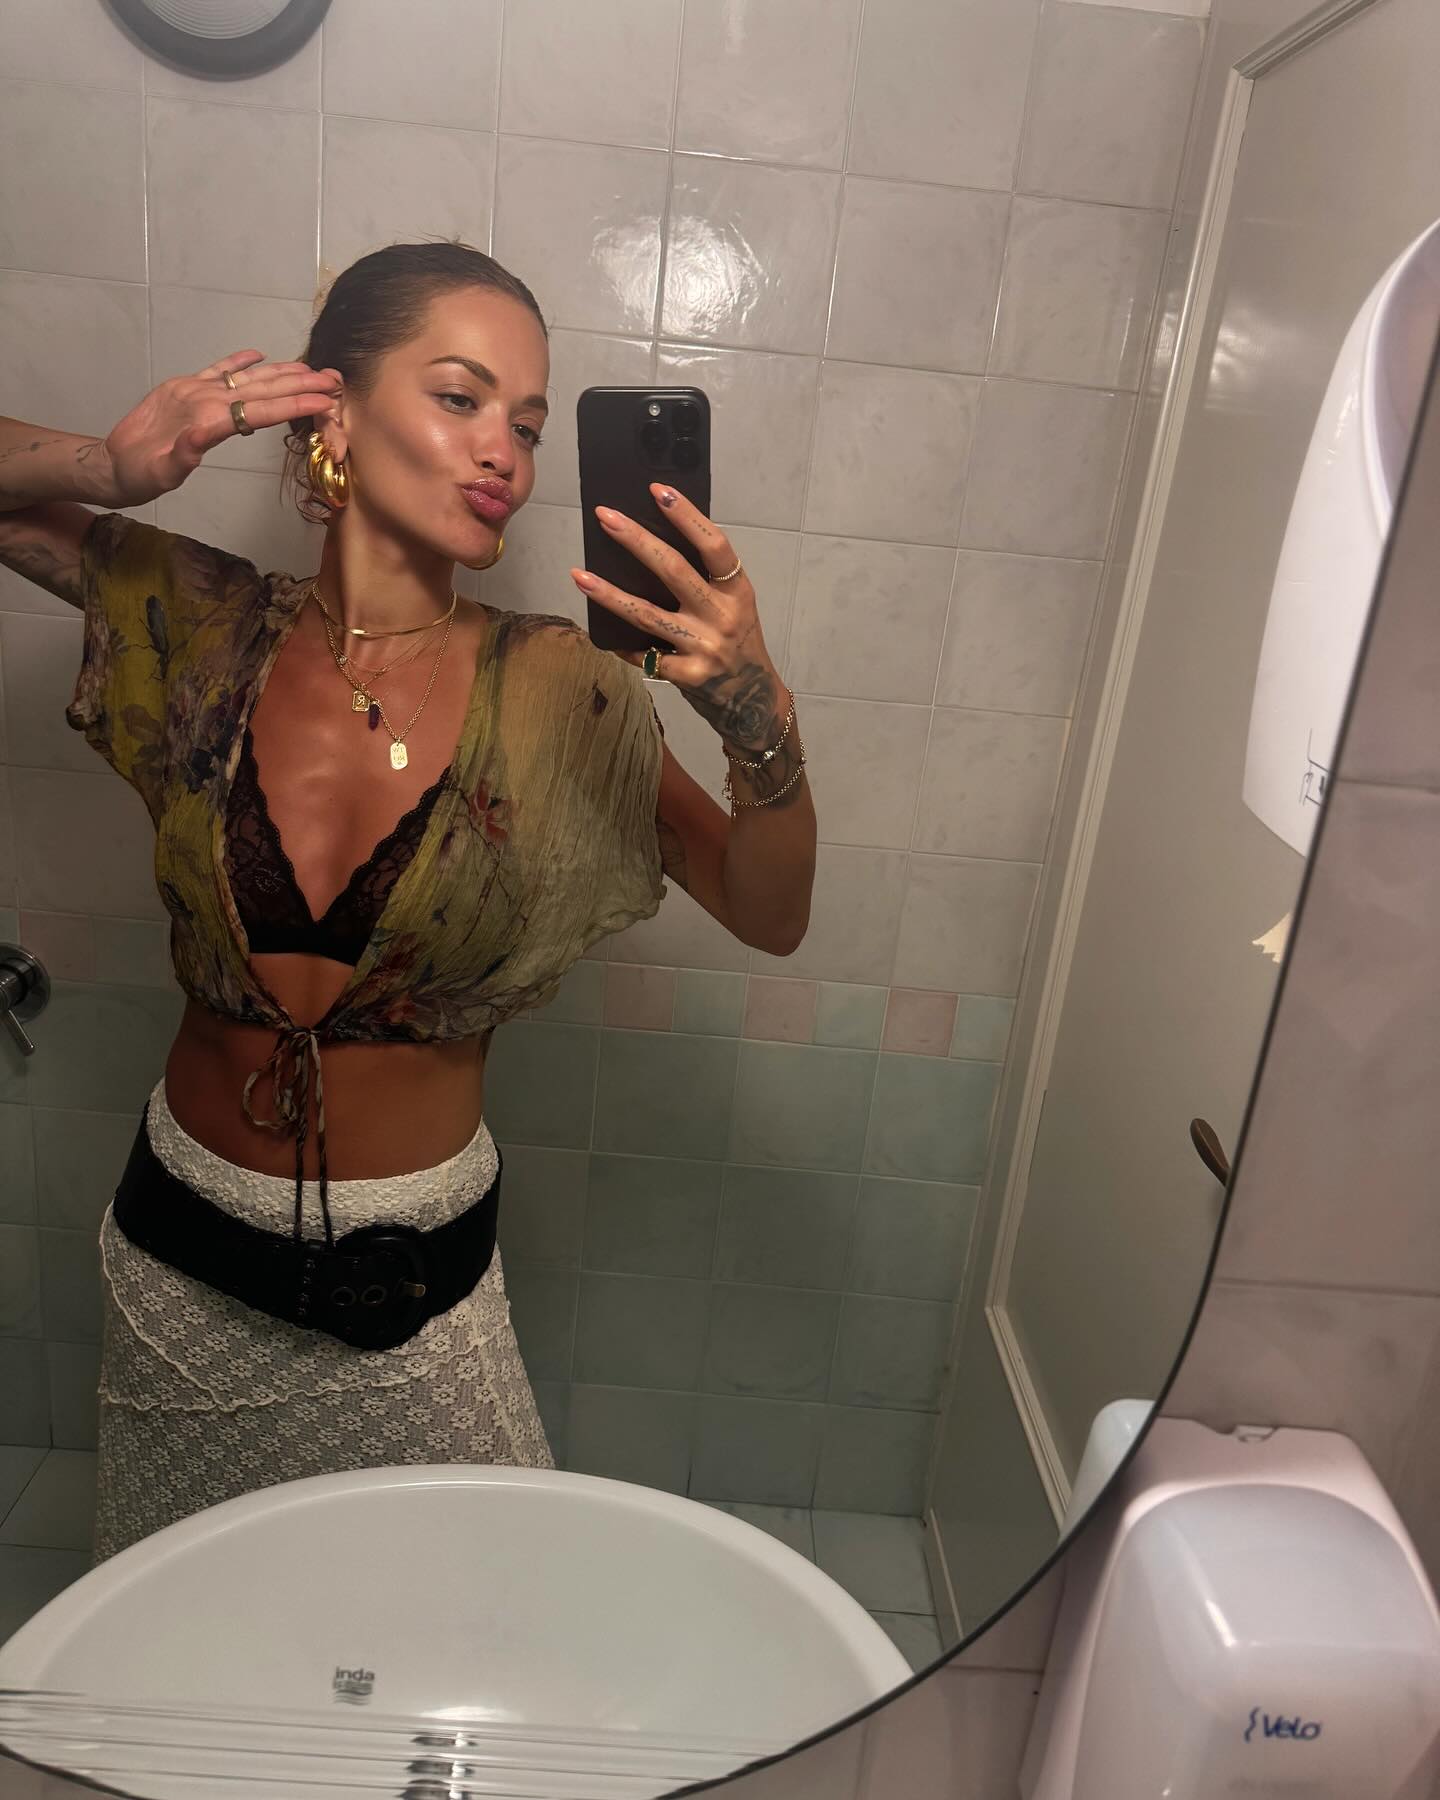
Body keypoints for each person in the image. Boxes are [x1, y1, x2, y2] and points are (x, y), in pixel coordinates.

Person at [0, 243, 815, 1561]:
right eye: (459, 397)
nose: (506, 453)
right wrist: (107, 465)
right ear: (333, 408)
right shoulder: (199, 623)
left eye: (528, 426)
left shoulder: (558, 692)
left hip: (415, 1298)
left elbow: (766, 908)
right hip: (179, 1275)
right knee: (192, 1639)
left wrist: (758, 715)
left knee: (466, 1631)